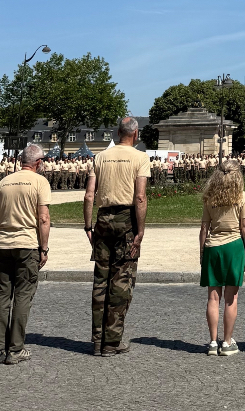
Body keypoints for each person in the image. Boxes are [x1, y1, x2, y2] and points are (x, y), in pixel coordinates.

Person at [83, 117, 150, 356]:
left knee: (100, 280)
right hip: (126, 220)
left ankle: (97, 340)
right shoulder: (140, 157)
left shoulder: (100, 156)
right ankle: (112, 342)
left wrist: (88, 226)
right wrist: (140, 232)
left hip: (102, 219)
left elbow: (89, 195)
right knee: (121, 280)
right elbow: (140, 197)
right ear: (135, 133)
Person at [0, 143, 51, 364]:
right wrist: (43, 248)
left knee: (3, 295)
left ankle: (0, 348)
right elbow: (43, 218)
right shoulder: (40, 182)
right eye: (43, 160)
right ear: (37, 163)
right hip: (26, 245)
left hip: (2, 244)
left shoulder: (4, 181)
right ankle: (16, 348)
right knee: (23, 296)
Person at [198, 159, 245, 356]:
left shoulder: (209, 197)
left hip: (213, 247)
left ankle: (213, 342)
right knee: (231, 298)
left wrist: (202, 252)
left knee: (213, 297)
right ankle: (227, 343)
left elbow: (204, 227)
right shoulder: (241, 196)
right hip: (234, 246)